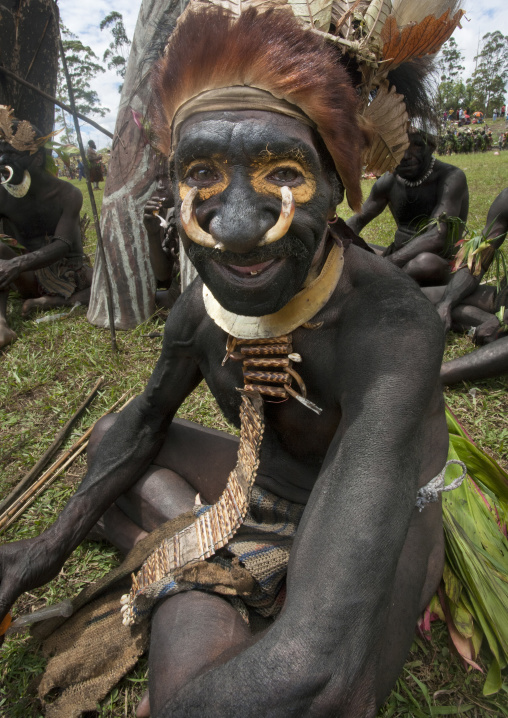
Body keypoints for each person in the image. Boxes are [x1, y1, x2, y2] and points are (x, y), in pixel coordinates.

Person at [0, 6, 465, 718]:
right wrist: (44, 550)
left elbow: (315, 673)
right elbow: (147, 421)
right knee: (110, 437)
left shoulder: (389, 325)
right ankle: (198, 541)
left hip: (377, 516)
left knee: (322, 693)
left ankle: (185, 544)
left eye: (284, 171)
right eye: (204, 173)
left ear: (338, 183)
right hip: (268, 485)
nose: (240, 228)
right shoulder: (198, 312)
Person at [0, 107, 92, 349]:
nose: (4, 161)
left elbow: (63, 245)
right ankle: (1, 323)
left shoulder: (67, 193)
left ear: (37, 158)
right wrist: (12, 264)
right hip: (25, 277)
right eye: (1, 153)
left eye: (13, 154)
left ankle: (53, 302)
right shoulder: (2, 193)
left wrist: (16, 264)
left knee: (107, 284)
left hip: (68, 274)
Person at [346, 130, 469, 285]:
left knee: (423, 264)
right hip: (397, 258)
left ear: (430, 146)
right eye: (397, 147)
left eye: (416, 145)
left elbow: (438, 236)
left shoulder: (450, 178)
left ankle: (387, 283)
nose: (405, 156)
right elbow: (357, 221)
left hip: (439, 262)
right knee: (351, 249)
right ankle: (390, 279)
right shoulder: (388, 181)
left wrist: (386, 264)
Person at [426, 188, 508, 346]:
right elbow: (477, 260)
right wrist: (446, 303)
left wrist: (503, 320)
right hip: (502, 299)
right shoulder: (506, 200)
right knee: (422, 297)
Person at [143, 167, 180, 309]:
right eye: (157, 179)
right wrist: (152, 234)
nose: (160, 185)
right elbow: (163, 274)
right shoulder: (171, 214)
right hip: (177, 294)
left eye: (167, 177)